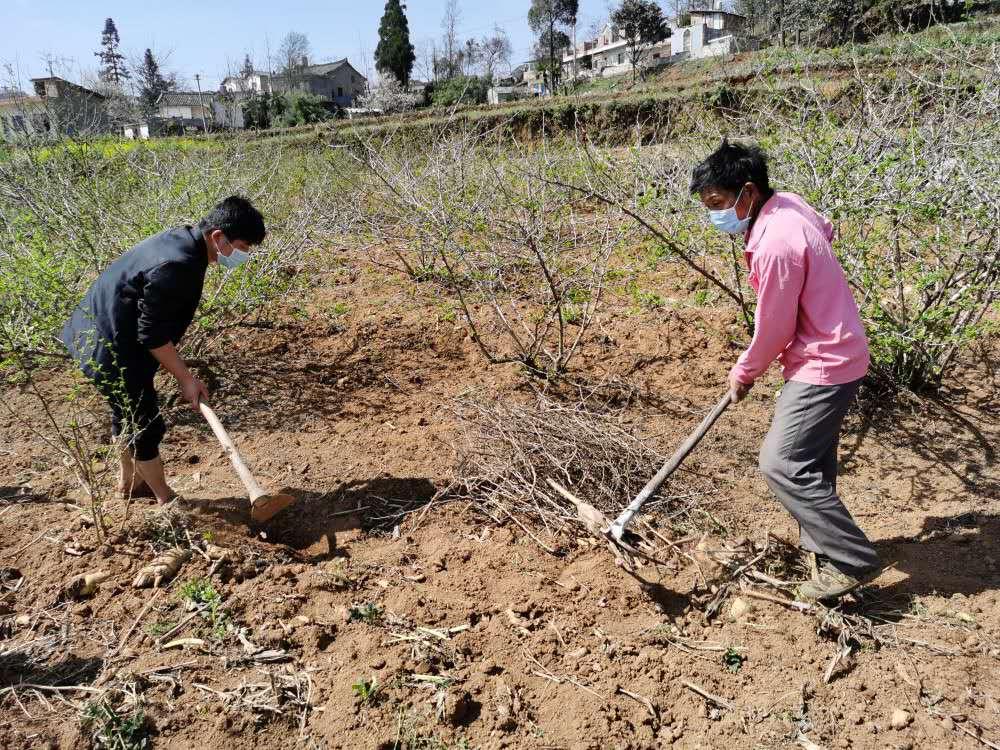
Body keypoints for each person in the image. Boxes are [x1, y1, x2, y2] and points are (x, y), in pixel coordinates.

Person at [690, 140, 882, 601]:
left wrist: (745, 372)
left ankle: (852, 559)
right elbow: (827, 227)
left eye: (718, 204)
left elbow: (774, 326)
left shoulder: (775, 242)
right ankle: (824, 549)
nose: (716, 215)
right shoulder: (788, 206)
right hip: (841, 351)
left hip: (825, 363)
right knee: (812, 458)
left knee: (782, 462)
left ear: (748, 192)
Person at [61, 196, 266, 504]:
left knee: (126, 414)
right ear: (218, 237)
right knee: (144, 424)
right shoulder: (177, 264)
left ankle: (129, 485)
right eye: (242, 246)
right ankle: (165, 498)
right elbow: (152, 334)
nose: (244, 254)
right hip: (110, 347)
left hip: (93, 334)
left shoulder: (183, 241)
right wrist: (185, 378)